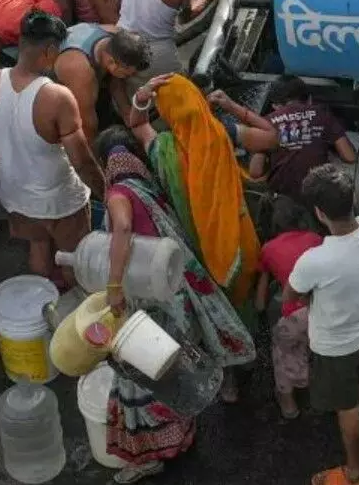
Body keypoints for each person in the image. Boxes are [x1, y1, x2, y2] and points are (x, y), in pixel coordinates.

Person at [94, 121, 257, 484]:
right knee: (174, 361)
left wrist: (114, 285)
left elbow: (121, 228)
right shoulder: (145, 185)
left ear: (107, 161)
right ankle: (182, 430)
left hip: (148, 299)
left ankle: (147, 456)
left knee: (137, 373)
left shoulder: (119, 191)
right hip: (172, 294)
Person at [0, 11, 97, 284]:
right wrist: (106, 190)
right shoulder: (57, 97)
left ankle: (41, 297)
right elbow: (82, 162)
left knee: (37, 248)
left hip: (15, 195)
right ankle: (73, 307)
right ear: (49, 51)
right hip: (59, 199)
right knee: (73, 258)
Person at [290, 164, 359, 485]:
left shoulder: (315, 260)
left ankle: (357, 470)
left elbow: (292, 292)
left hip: (336, 347)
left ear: (319, 213)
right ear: (354, 198)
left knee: (347, 408)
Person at [147, 75, 263, 329]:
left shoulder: (164, 148)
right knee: (246, 294)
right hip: (238, 236)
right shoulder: (220, 132)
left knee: (222, 305)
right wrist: (232, 106)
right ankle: (252, 335)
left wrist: (139, 97)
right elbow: (271, 138)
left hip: (197, 245)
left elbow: (135, 124)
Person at [250, 77, 357, 225]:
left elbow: (255, 171)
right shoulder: (322, 114)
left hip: (283, 201)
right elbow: (350, 157)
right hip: (317, 196)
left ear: (275, 106)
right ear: (309, 99)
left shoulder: (266, 122)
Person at [254, 210, 324, 421]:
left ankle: (288, 404)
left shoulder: (268, 249)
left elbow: (259, 302)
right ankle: (320, 395)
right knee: (318, 351)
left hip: (296, 317)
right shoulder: (315, 239)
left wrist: (260, 311)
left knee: (283, 352)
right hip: (324, 312)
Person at [53, 23, 149, 144]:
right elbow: (87, 125)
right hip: (56, 95)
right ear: (112, 63)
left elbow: (116, 82)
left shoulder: (117, 37)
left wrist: (128, 115)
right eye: (127, 75)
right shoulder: (80, 71)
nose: (130, 78)